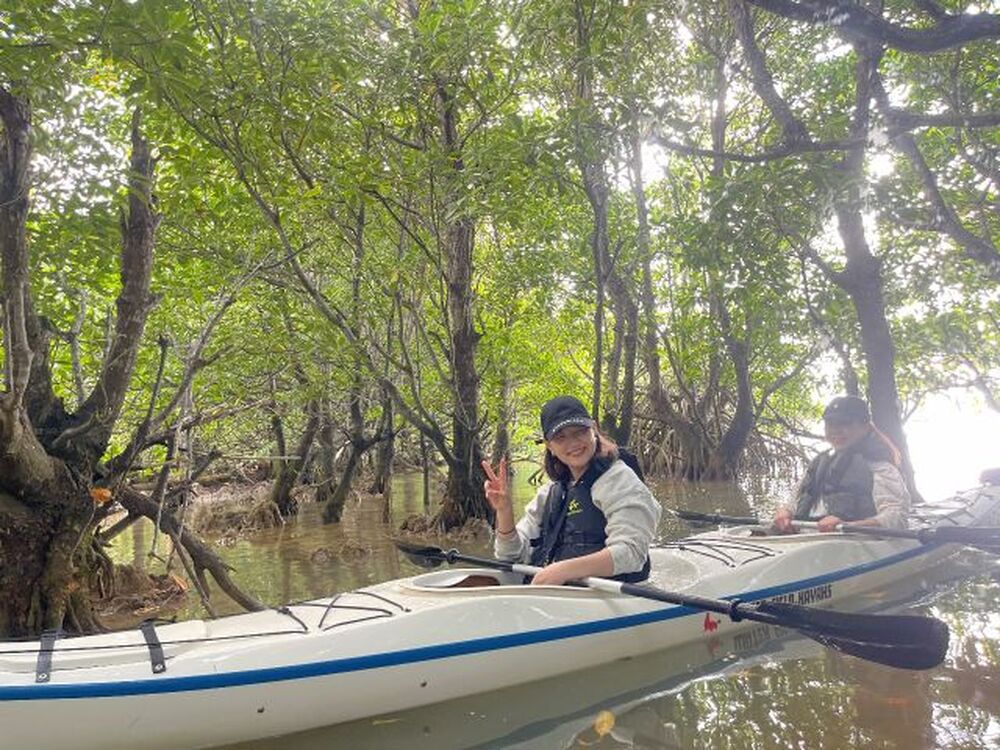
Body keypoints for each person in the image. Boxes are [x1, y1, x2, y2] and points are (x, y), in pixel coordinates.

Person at [483, 395, 661, 586]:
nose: (573, 443)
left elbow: (631, 554)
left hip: (611, 598)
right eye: (560, 437)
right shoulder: (550, 493)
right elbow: (509, 556)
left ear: (593, 430)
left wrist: (562, 571)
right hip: (563, 597)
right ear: (549, 446)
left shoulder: (619, 480)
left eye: (580, 432)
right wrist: (504, 511)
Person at [773, 395, 910, 533]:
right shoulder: (819, 463)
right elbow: (792, 503)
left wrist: (849, 525)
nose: (835, 430)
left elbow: (896, 519)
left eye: (845, 423)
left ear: (865, 427)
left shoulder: (881, 468)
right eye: (830, 423)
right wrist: (784, 512)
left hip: (852, 542)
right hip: (807, 539)